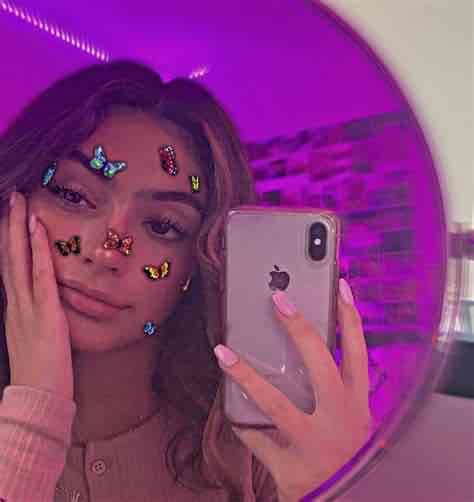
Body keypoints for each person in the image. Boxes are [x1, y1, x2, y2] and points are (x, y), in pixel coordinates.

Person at [0, 60, 371, 502]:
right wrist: (34, 414)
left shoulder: (257, 454)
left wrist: (339, 485)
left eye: (163, 225)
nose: (108, 251)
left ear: (199, 261)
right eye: (74, 195)